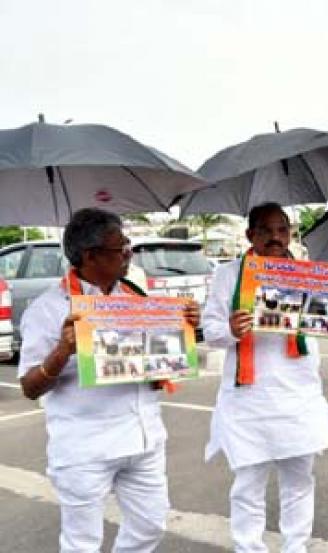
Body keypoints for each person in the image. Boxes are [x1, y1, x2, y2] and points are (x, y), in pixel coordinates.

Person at [18, 208, 200, 552]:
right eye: (122, 250)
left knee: (150, 526)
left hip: (143, 440)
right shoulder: (47, 309)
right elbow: (29, 387)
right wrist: (62, 351)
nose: (129, 256)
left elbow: (160, 367)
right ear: (91, 256)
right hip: (86, 447)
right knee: (82, 544)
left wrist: (183, 330)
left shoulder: (135, 300)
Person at [203, 202, 328, 553]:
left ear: (291, 234)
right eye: (265, 230)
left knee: (299, 482)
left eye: (282, 229)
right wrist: (231, 329)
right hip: (249, 397)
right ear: (250, 235)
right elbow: (210, 329)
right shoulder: (228, 275)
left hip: (299, 393)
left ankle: (295, 547)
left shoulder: (310, 274)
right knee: (248, 485)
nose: (275, 237)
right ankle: (248, 548)